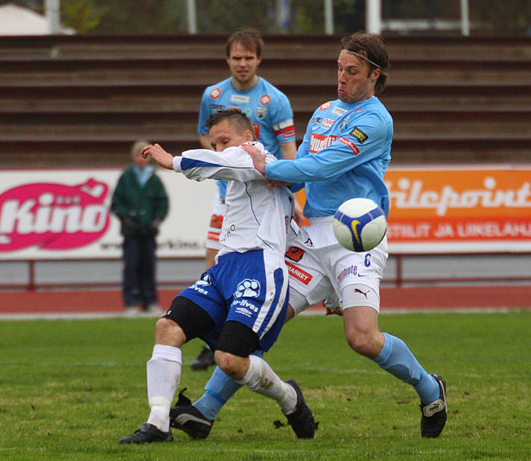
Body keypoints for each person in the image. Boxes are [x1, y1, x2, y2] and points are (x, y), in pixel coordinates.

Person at [177, 32, 448, 440]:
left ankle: (430, 389)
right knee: (260, 321)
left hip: (355, 236)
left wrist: (266, 169)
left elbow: (322, 167)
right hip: (309, 236)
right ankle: (204, 410)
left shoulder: (375, 120)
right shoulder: (324, 111)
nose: (341, 78)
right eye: (339, 68)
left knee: (361, 338)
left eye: (352, 71)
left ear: (375, 75)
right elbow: (302, 161)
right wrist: (282, 194)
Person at [119, 109, 315, 444]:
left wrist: (174, 161)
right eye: (214, 143)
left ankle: (290, 399)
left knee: (230, 361)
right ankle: (157, 422)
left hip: (258, 269)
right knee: (167, 327)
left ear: (249, 135)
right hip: (224, 269)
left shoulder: (257, 157)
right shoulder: (247, 177)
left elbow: (231, 162)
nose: (220, 148)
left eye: (224, 140)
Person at [192, 28, 298, 371]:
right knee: (213, 266)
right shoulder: (213, 94)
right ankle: (214, 340)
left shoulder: (275, 100)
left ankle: (244, 331)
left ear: (259, 60)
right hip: (225, 197)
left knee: (261, 263)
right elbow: (205, 137)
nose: (242, 64)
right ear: (227, 59)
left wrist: (291, 190)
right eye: (236, 57)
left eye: (248, 58)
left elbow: (287, 151)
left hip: (263, 199)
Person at [111, 140, 168, 315]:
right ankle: (131, 302)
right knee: (131, 266)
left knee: (148, 267)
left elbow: (162, 203)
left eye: (144, 156)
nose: (141, 160)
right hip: (131, 232)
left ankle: (150, 301)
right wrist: (126, 218)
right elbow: (117, 202)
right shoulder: (126, 177)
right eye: (138, 156)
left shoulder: (154, 179)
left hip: (148, 232)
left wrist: (156, 221)